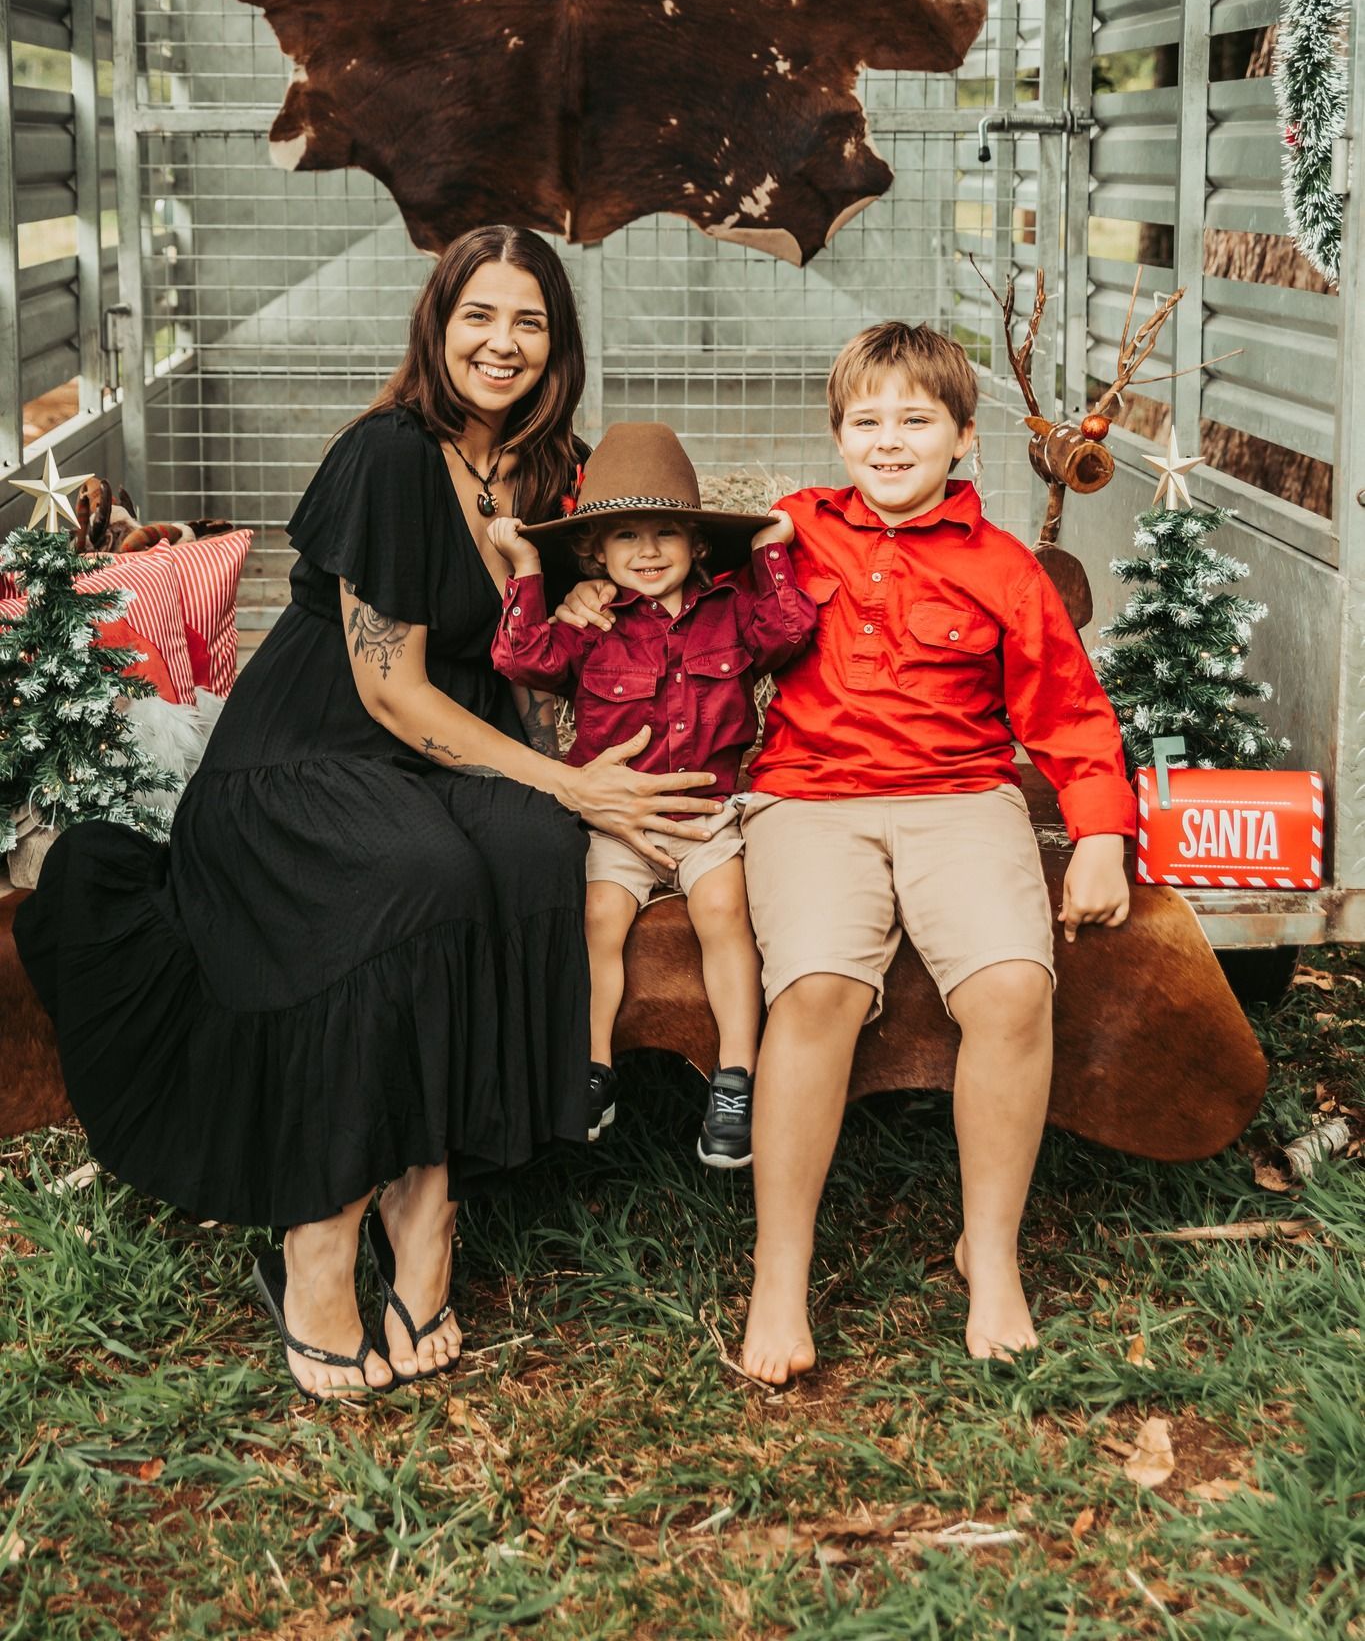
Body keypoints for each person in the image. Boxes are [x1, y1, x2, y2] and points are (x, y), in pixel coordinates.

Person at [16, 226, 723, 1403]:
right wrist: (573, 777)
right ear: (436, 325)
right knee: (423, 871)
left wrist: (590, 593)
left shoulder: (554, 471)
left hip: (453, 752)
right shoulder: (388, 456)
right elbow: (389, 687)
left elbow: (637, 588)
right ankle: (322, 1230)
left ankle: (429, 1194)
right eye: (478, 316)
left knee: (530, 850)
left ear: (560, 345)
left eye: (529, 321)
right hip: (310, 751)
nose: (502, 343)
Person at [732, 321, 1136, 1380]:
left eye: (917, 419)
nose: (891, 439)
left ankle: (989, 1250)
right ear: (838, 436)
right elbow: (673, 581)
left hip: (960, 797)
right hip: (809, 799)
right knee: (815, 984)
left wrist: (1099, 832)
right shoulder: (791, 532)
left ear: (963, 437)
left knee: (1009, 983)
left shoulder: (1005, 570)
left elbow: (1070, 712)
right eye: (867, 420)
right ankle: (782, 1264)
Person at [486, 423, 818, 1167]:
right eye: (624, 535)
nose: (646, 550)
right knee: (600, 913)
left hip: (708, 817)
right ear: (593, 553)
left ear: (698, 544)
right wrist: (527, 567)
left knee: (725, 912)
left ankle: (735, 1076)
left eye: (666, 532)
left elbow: (790, 628)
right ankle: (593, 1069)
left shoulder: (731, 610)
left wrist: (768, 549)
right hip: (617, 823)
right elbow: (518, 654)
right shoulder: (593, 622)